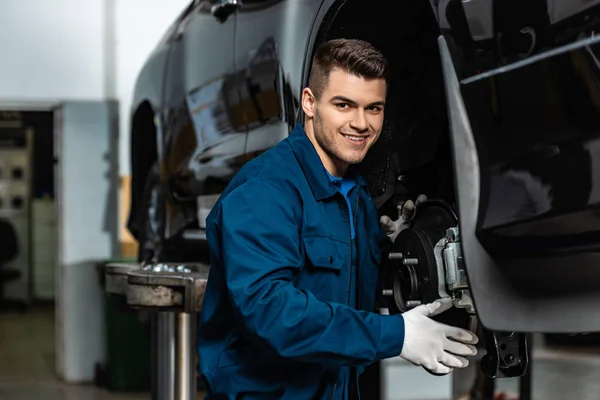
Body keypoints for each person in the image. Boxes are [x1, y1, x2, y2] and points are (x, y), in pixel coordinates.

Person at [197, 38, 479, 399]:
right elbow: (270, 311)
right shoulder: (265, 191)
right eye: (344, 105)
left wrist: (401, 247)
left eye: (373, 108)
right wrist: (396, 336)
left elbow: (355, 291)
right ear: (309, 103)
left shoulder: (356, 199)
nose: (360, 123)